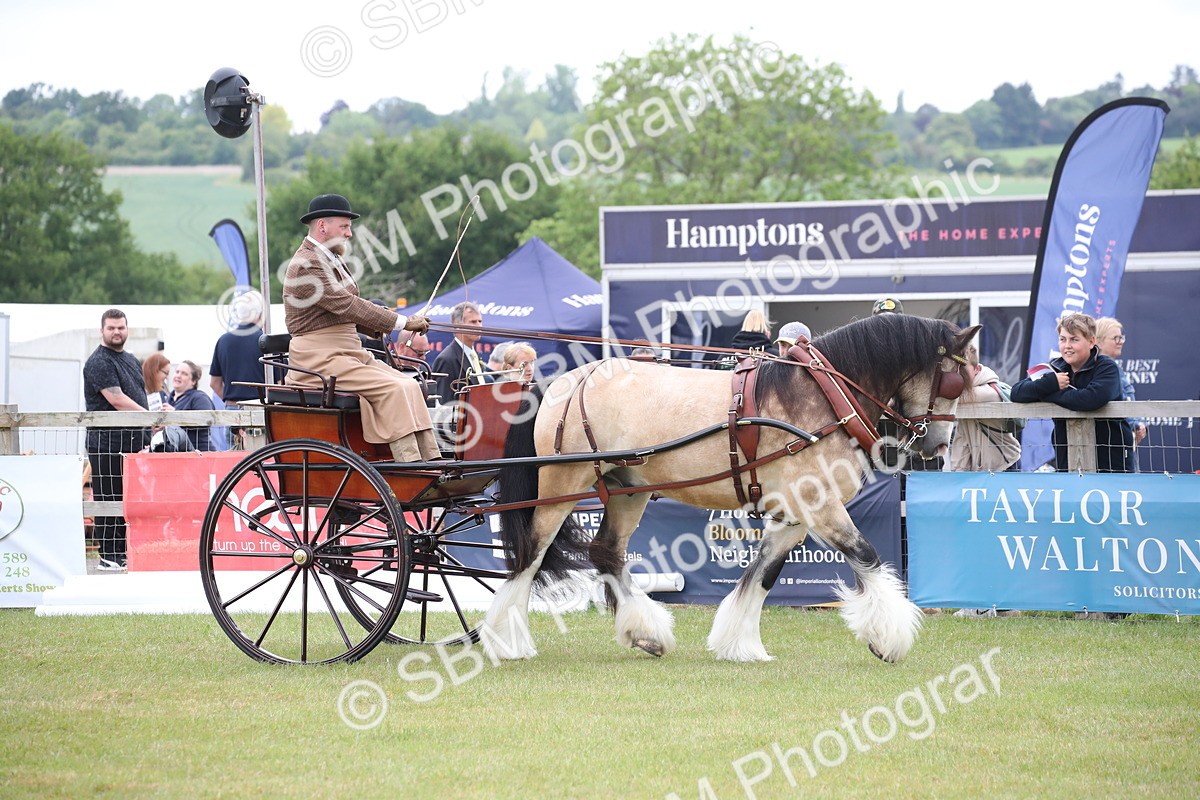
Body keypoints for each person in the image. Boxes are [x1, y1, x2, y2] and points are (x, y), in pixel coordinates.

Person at [282, 193, 439, 463]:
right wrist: (401, 322)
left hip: (346, 352)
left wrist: (383, 325)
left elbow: (344, 312)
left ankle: (431, 459)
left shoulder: (331, 258)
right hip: (319, 358)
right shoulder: (305, 265)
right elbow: (346, 304)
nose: (349, 233)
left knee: (410, 384)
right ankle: (410, 464)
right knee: (393, 388)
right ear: (322, 226)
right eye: (344, 226)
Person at [1010, 312, 1133, 473]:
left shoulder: (1107, 367)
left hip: (1110, 462)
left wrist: (1048, 394)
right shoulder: (1055, 368)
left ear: (1091, 342)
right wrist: (1051, 383)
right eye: (1063, 339)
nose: (1067, 345)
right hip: (1067, 460)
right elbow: (1017, 392)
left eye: (1074, 339)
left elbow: (1090, 399)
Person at [82, 309, 152, 572]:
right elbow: (116, 399)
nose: (116, 332)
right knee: (109, 498)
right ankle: (110, 556)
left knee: (127, 499)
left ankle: (124, 553)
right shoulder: (99, 361)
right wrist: (149, 417)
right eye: (111, 328)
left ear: (127, 329)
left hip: (132, 443)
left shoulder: (130, 359)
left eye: (120, 327)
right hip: (106, 444)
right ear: (101, 330)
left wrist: (149, 420)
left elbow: (137, 395)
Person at [950, 345, 1021, 472]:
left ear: (977, 369)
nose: (958, 373)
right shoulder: (966, 396)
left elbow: (952, 397)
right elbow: (962, 438)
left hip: (1005, 466)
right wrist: (958, 472)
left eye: (963, 368)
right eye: (954, 369)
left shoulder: (990, 391)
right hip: (983, 470)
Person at [211, 289, 266, 449]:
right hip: (260, 412)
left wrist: (231, 401)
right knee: (263, 459)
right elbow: (279, 382)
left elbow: (214, 383)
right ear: (259, 314)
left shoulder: (223, 341)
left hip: (232, 411)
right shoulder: (267, 342)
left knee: (234, 459)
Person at [1095, 317, 1149, 463]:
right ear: (1098, 341)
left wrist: (1140, 423)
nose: (1120, 342)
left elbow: (1128, 401)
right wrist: (1135, 424)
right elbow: (1116, 402)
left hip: (1124, 439)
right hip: (1114, 442)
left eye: (1121, 337)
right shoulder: (1102, 370)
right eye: (1115, 338)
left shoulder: (1114, 368)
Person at [432, 301, 485, 402]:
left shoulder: (474, 355)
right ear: (457, 326)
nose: (479, 326)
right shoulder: (446, 359)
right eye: (473, 322)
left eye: (480, 321)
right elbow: (443, 402)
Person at [167, 360, 217, 451]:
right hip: (177, 452)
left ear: (193, 381)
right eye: (177, 372)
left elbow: (207, 420)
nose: (178, 375)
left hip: (200, 452)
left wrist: (175, 415)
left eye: (184, 374)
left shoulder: (199, 398)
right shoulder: (169, 399)